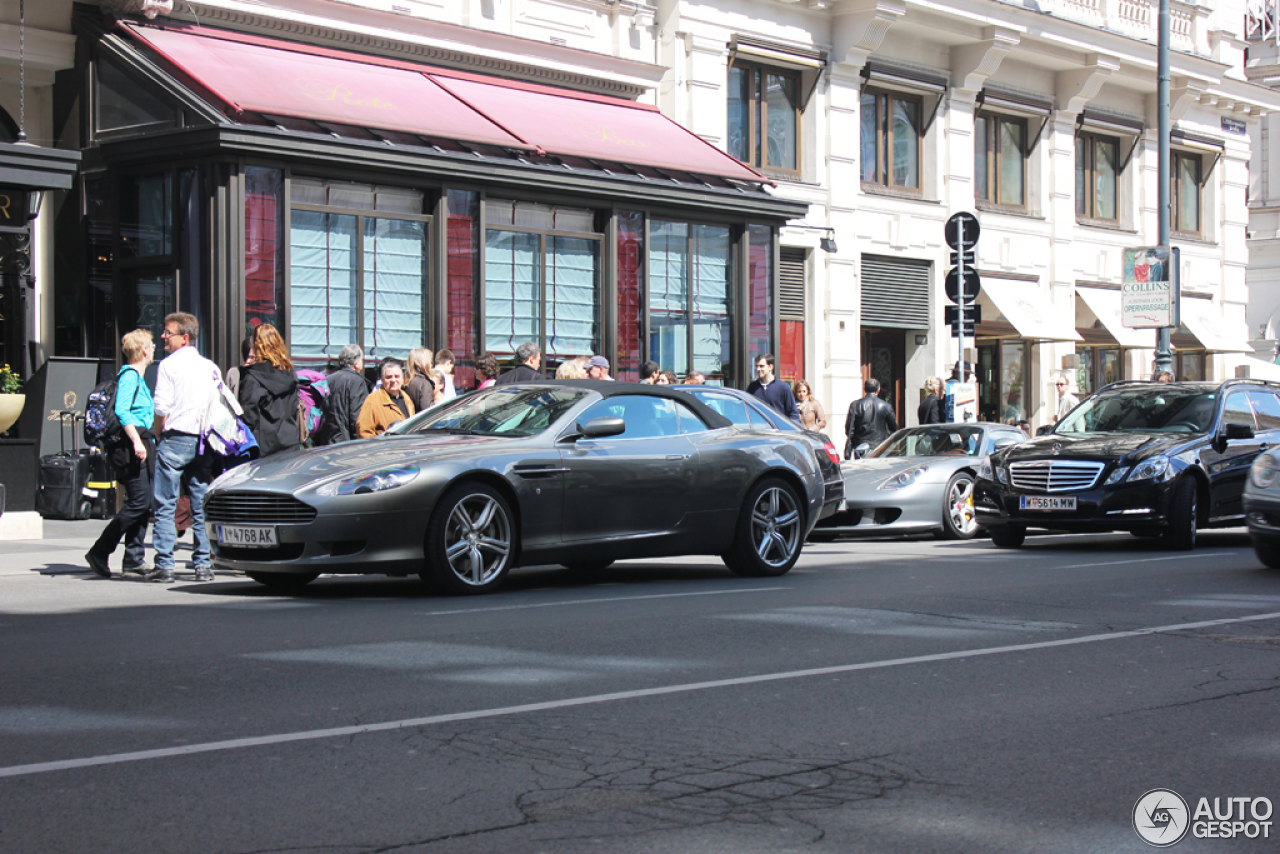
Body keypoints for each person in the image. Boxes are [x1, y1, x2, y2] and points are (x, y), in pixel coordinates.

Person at [148, 312, 220, 584]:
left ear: (185, 337)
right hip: (203, 440)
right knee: (200, 503)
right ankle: (202, 565)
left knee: (166, 502)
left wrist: (158, 433)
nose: (164, 337)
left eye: (168, 332)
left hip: (175, 437)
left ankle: (165, 565)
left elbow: (162, 407)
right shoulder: (210, 367)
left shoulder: (168, 366)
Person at [85, 329, 156, 579]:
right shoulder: (130, 377)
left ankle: (134, 559)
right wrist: (137, 442)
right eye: (151, 345)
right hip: (130, 446)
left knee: (143, 502)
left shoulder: (137, 378)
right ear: (145, 351)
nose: (154, 348)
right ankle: (100, 550)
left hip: (139, 443)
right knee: (139, 501)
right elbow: (123, 411)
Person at [237, 323, 300, 458]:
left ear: (257, 345)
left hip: (263, 447)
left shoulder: (253, 376)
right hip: (290, 442)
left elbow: (249, 417)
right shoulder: (290, 372)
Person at [322, 344, 369, 444]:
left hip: (327, 438)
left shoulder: (328, 379)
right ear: (357, 363)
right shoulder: (357, 381)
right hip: (347, 442)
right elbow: (357, 416)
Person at [357, 358, 415, 438]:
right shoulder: (372, 400)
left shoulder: (406, 398)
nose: (393, 380)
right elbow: (364, 432)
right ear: (382, 379)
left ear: (402, 378)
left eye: (397, 376)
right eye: (389, 377)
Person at [845, 378, 899, 460]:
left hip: (861, 446)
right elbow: (894, 427)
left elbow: (849, 428)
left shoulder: (855, 405)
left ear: (864, 389)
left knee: (861, 470)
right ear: (878, 389)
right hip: (879, 446)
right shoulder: (886, 406)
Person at [746, 353, 799, 421]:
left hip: (777, 430)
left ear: (770, 367)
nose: (758, 369)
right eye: (757, 366)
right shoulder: (752, 387)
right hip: (758, 429)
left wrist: (789, 430)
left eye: (761, 366)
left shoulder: (783, 387)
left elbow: (794, 414)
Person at [404, 348, 437, 412]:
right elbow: (428, 412)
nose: (431, 365)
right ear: (423, 363)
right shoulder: (424, 384)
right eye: (430, 362)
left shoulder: (405, 381)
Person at [224, 333, 255, 399]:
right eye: (246, 357)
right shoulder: (234, 374)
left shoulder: (264, 378)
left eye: (252, 357)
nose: (248, 361)